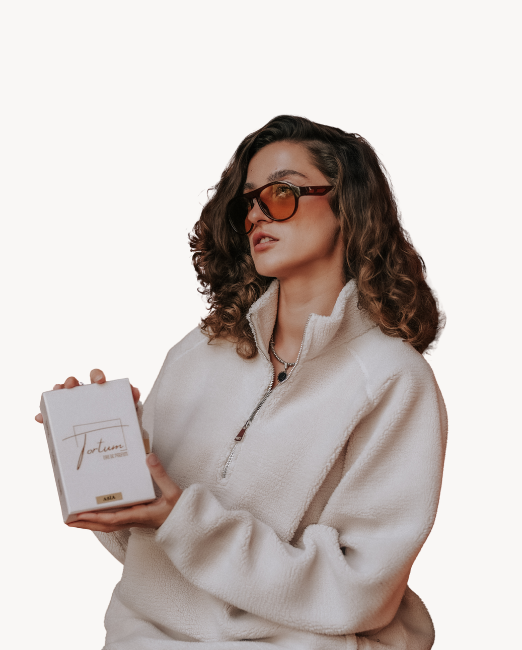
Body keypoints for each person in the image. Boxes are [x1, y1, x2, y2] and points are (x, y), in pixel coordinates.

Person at [35, 115, 445, 649]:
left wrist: (184, 521)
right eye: (247, 201)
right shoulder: (200, 352)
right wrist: (111, 466)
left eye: (281, 192)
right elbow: (140, 552)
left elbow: (360, 590)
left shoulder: (392, 381)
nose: (256, 214)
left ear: (348, 206)